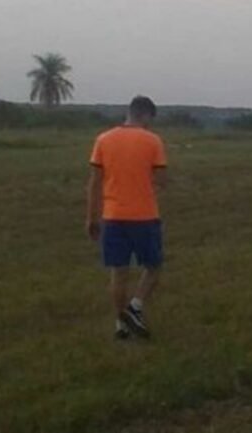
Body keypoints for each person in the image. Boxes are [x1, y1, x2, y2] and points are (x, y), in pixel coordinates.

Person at [86, 96, 168, 340]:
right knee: (153, 267)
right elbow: (161, 180)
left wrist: (91, 217)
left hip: (113, 217)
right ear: (146, 116)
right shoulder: (153, 141)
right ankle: (136, 307)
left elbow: (94, 184)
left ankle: (120, 325)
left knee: (118, 272)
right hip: (144, 215)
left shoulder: (103, 139)